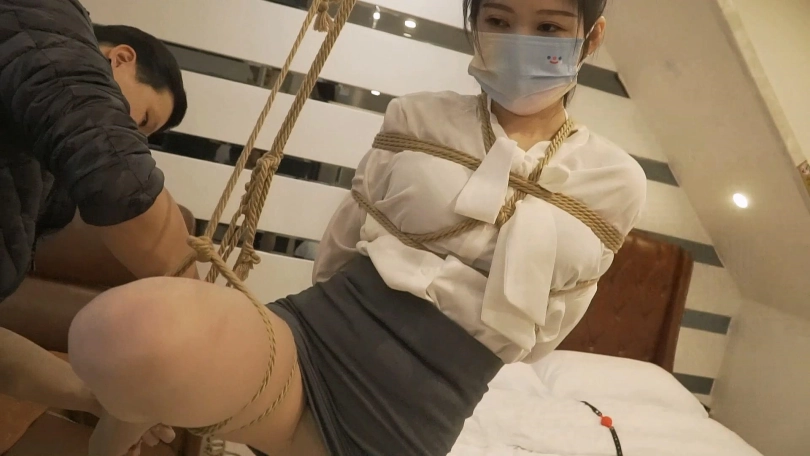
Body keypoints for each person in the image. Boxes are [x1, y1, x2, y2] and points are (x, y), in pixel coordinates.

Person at [67, 0, 647, 455]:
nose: (519, 40)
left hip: (422, 408)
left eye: (548, 27)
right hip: (316, 336)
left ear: (591, 37)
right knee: (122, 332)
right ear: (475, 26)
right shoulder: (418, 115)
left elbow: (548, 329)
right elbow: (343, 242)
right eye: (498, 20)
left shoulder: (613, 182)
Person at [0, 0, 198, 453]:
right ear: (120, 58)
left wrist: (99, 400)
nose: (133, 138)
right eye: (141, 120)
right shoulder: (41, 20)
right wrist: (199, 303)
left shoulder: (35, 172)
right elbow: (108, 159)